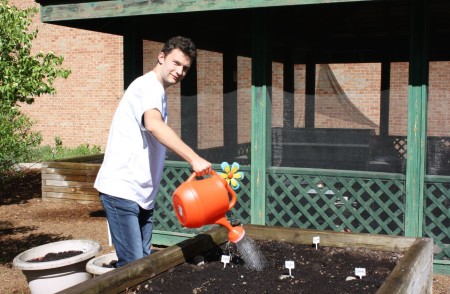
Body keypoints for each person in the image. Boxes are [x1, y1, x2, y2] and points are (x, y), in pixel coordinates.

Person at [94, 36, 212, 267]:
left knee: (143, 265)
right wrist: (194, 158)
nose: (179, 71)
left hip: (141, 196)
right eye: (176, 63)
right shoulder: (148, 86)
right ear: (161, 57)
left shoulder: (157, 90)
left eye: (185, 68)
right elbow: (154, 125)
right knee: (134, 268)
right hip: (122, 191)